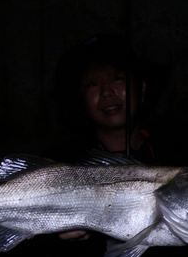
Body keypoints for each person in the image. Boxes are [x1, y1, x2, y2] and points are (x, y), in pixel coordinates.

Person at [45, 33, 170, 240]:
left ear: (142, 89)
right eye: (92, 84)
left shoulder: (181, 158)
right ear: (82, 103)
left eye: (118, 78)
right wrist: (52, 239)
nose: (106, 92)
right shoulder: (55, 163)